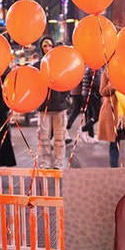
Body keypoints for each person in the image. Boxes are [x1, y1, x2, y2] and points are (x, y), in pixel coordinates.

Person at [32, 36, 70, 168]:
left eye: (49, 45)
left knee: (59, 138)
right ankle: (45, 162)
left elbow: (68, 81)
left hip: (59, 107)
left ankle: (59, 162)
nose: (47, 48)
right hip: (44, 108)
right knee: (44, 138)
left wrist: (62, 97)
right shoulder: (37, 66)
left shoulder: (59, 64)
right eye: (44, 45)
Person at [96, 65, 125, 167]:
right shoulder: (107, 73)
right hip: (112, 113)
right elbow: (102, 91)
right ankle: (114, 169)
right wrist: (114, 85)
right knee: (114, 144)